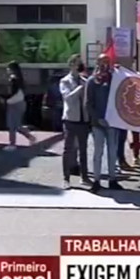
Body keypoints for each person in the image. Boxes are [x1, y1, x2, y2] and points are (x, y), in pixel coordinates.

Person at [85, 53, 123, 192]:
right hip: (98, 124)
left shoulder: (115, 80)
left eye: (107, 61)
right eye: (102, 61)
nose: (104, 64)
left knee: (112, 153)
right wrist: (97, 119)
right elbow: (88, 104)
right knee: (98, 152)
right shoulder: (92, 81)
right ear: (97, 63)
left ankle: (112, 179)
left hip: (112, 123)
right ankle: (96, 181)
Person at [59, 54, 91, 189]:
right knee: (68, 149)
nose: (79, 66)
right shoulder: (65, 81)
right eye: (77, 63)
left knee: (83, 150)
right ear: (71, 65)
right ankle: (66, 179)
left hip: (83, 120)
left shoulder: (85, 80)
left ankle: (84, 177)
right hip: (71, 119)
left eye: (80, 63)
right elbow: (68, 98)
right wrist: (79, 89)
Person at [3, 61, 36, 151]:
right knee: (16, 125)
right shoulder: (20, 79)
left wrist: (6, 99)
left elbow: (12, 92)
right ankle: (30, 136)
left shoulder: (13, 78)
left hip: (13, 103)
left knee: (12, 125)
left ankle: (12, 144)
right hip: (20, 103)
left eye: (8, 68)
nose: (7, 70)